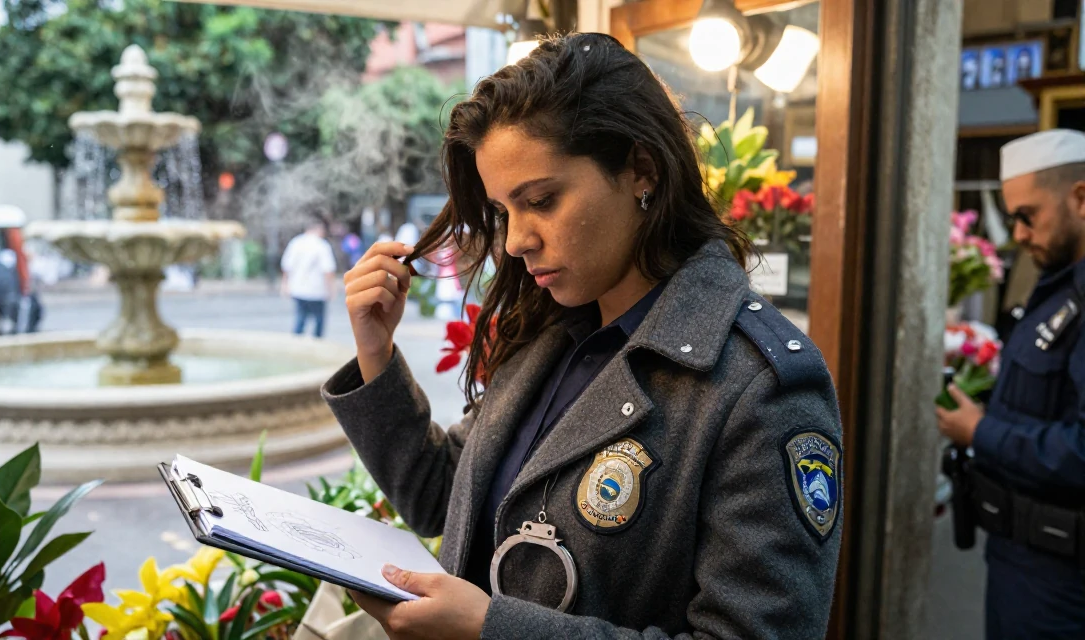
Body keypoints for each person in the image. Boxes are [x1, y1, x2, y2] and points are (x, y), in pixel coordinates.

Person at [322, 33, 842, 639]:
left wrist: (491, 629)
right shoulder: (549, 335)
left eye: (540, 200)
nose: (516, 240)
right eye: (502, 212)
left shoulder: (758, 385)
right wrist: (376, 353)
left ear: (641, 170)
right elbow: (441, 495)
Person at [936, 128, 1085, 639]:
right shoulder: (1058, 287)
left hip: (1061, 580)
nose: (1018, 234)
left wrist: (981, 432)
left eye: (1028, 216)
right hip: (1021, 560)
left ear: (1080, 198)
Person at [281, 219, 337, 338]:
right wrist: (331, 289)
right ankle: (317, 344)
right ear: (319, 230)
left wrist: (285, 284)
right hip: (317, 290)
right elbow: (328, 270)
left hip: (298, 288)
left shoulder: (296, 243)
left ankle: (296, 343)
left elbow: (287, 266)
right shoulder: (322, 245)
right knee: (319, 321)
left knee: (300, 318)